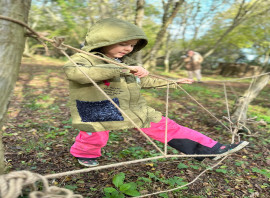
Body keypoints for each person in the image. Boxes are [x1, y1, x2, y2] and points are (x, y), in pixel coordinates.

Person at [63, 18, 248, 167]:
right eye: (124, 43)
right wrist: (121, 70)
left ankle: (211, 148)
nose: (128, 49)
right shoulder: (83, 58)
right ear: (102, 41)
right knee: (95, 135)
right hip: (98, 107)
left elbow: (143, 81)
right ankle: (84, 154)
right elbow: (77, 73)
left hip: (132, 107)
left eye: (132, 45)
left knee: (166, 127)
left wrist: (173, 82)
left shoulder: (124, 63)